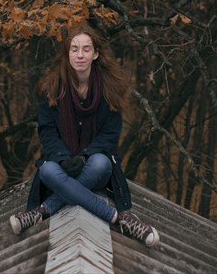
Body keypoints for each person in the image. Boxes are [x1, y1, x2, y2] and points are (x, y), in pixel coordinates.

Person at [9, 23, 160, 248]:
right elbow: (47, 132)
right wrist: (62, 158)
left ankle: (41, 211)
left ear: (95, 54)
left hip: (95, 166)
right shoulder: (51, 88)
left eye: (86, 49)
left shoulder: (111, 89)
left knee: (101, 163)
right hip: (61, 165)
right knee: (48, 169)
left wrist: (85, 157)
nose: (80, 54)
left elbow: (110, 135)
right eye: (74, 49)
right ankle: (120, 219)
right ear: (67, 54)